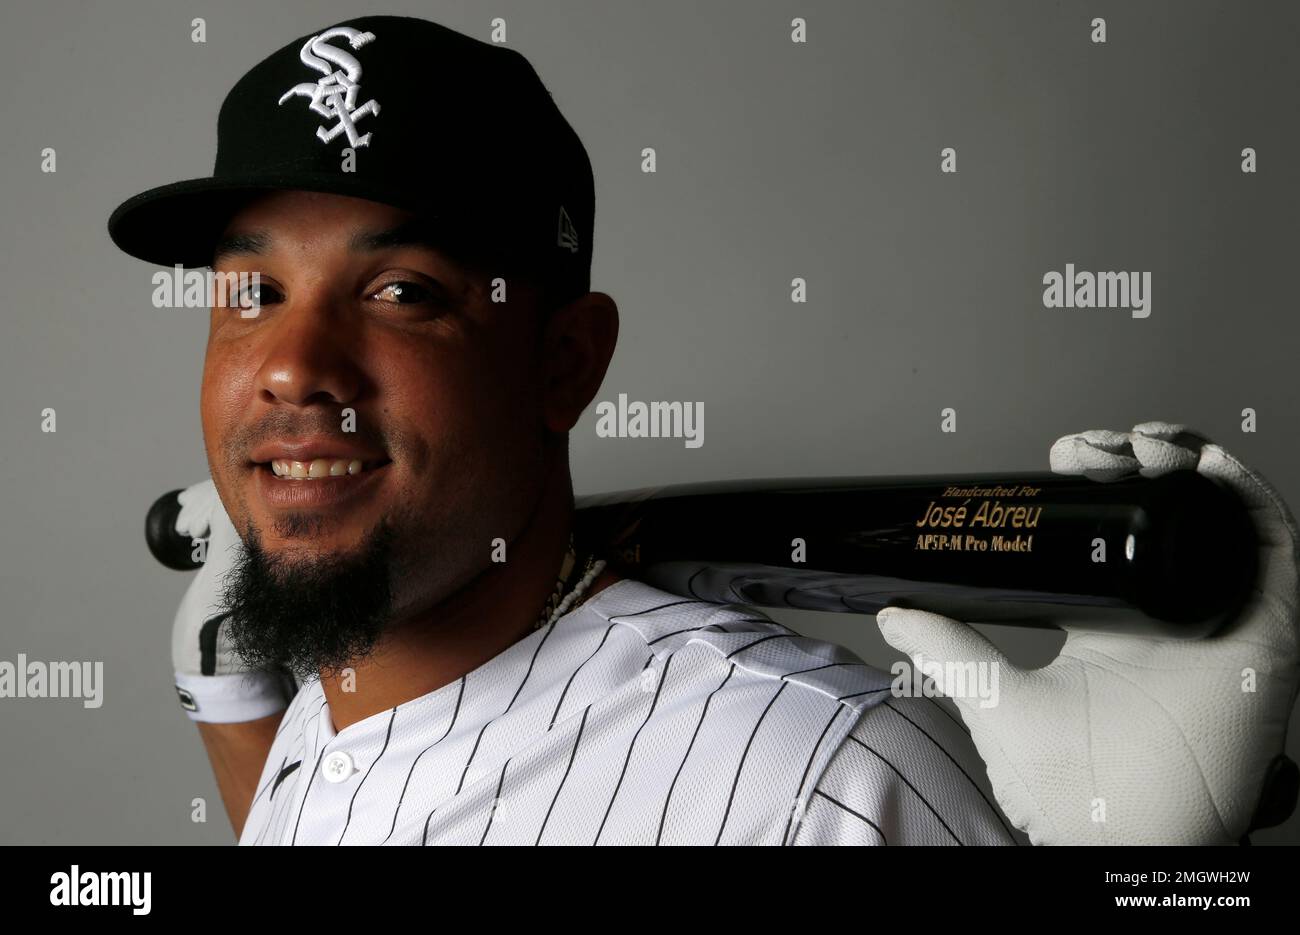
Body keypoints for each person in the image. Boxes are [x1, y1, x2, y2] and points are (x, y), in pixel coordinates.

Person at [110, 14, 1299, 845]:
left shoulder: (806, 784)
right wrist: (224, 683)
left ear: (564, 360)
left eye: (402, 292)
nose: (288, 365)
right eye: (249, 293)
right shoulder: (336, 685)